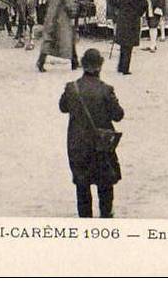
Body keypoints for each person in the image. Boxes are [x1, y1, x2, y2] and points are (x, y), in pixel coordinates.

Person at [59, 49, 125, 218]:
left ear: (82, 64)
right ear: (100, 66)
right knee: (104, 184)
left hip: (77, 145)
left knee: (82, 185)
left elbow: (63, 107)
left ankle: (85, 220)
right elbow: (118, 116)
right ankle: (105, 216)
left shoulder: (72, 88)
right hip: (101, 145)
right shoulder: (106, 90)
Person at [37, 0, 79, 72]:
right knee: (68, 38)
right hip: (62, 18)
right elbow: (69, 4)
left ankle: (41, 61)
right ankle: (74, 62)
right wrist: (74, 11)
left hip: (51, 15)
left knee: (48, 39)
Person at [109, 0, 148, 75]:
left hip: (122, 16)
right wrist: (138, 13)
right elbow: (144, 5)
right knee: (129, 44)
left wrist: (119, 9)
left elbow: (112, 0)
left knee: (123, 43)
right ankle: (125, 68)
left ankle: (121, 66)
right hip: (133, 18)